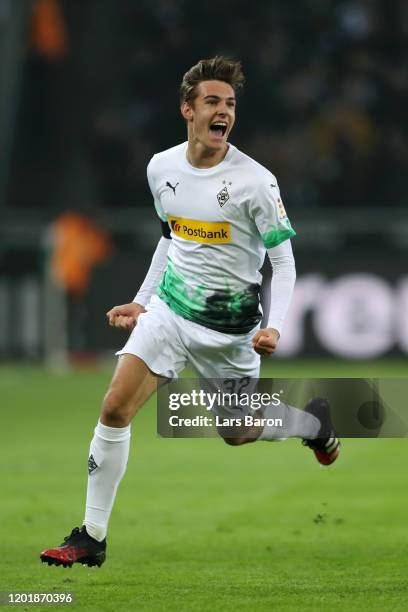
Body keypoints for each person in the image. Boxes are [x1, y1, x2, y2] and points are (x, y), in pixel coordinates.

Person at [40, 57, 340, 569]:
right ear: (188, 109)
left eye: (230, 104)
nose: (223, 112)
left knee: (237, 432)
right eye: (212, 102)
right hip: (169, 315)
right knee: (114, 409)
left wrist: (275, 325)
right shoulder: (161, 167)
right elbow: (171, 238)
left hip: (229, 331)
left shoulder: (256, 182)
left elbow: (283, 262)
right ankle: (91, 537)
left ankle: (311, 424)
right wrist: (141, 300)